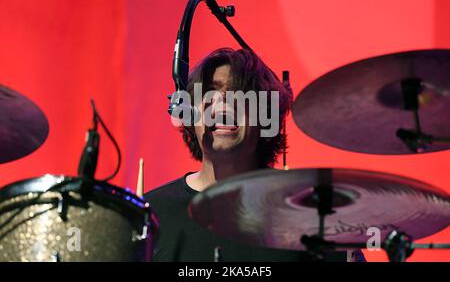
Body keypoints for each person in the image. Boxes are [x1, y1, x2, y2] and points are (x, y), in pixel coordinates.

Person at [144, 48, 365, 262]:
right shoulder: (150, 215)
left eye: (237, 96)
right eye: (209, 94)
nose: (221, 107)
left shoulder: (310, 213)